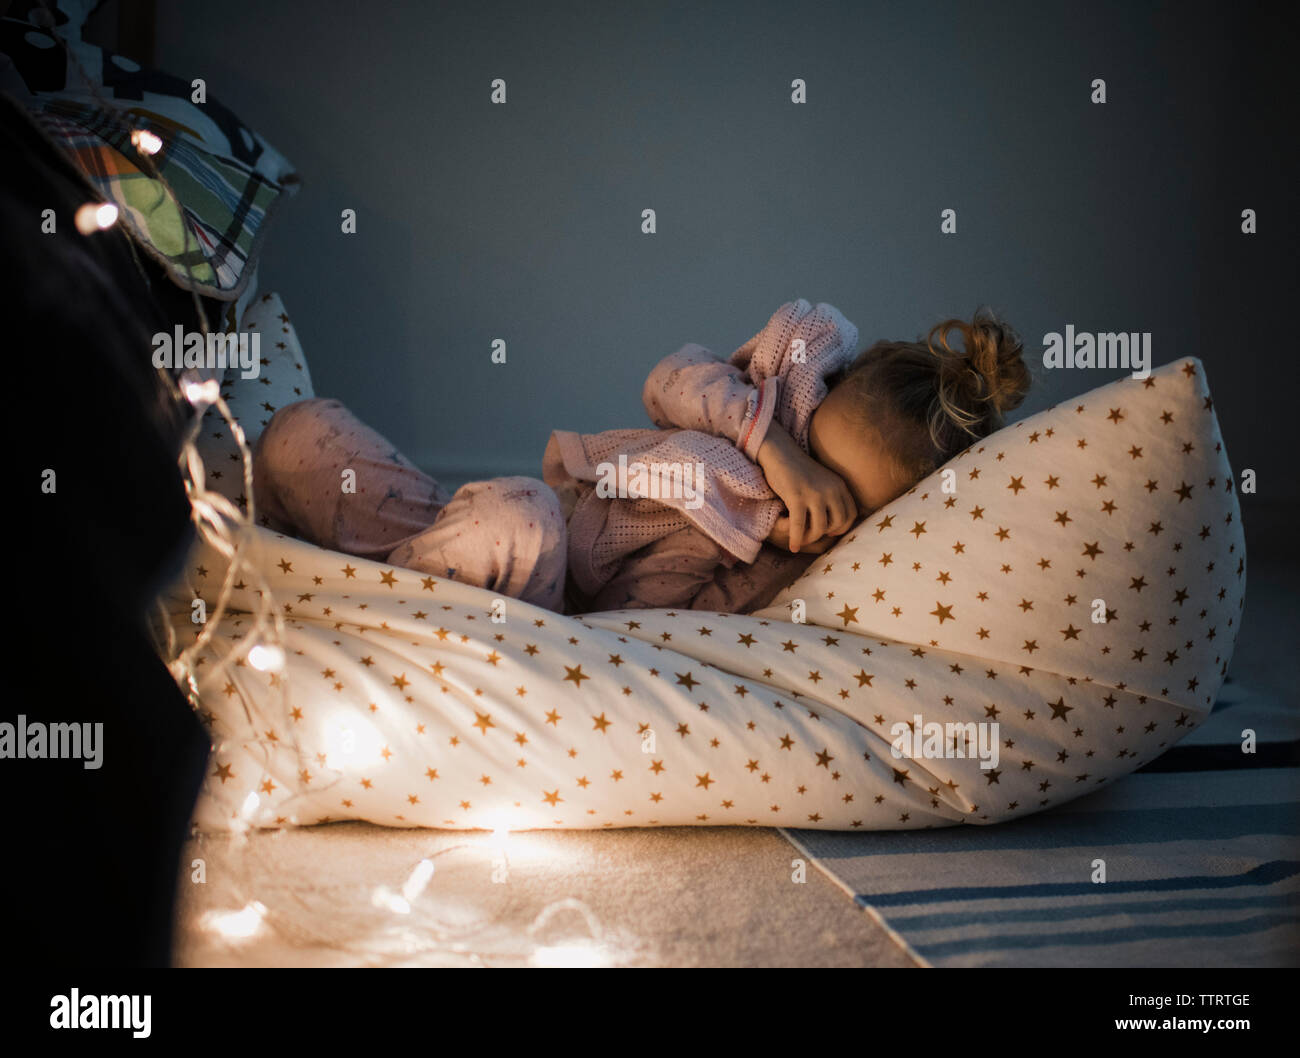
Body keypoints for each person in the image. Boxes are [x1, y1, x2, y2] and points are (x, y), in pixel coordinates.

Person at [253, 299, 1030, 615]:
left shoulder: (782, 564)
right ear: (810, 404)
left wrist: (775, 550)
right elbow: (668, 382)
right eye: (811, 464)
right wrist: (775, 448)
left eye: (834, 502)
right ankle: (369, 571)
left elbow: (678, 628)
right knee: (300, 429)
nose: (800, 497)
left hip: (545, 597)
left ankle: (356, 615)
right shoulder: (754, 411)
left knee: (521, 517)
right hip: (466, 535)